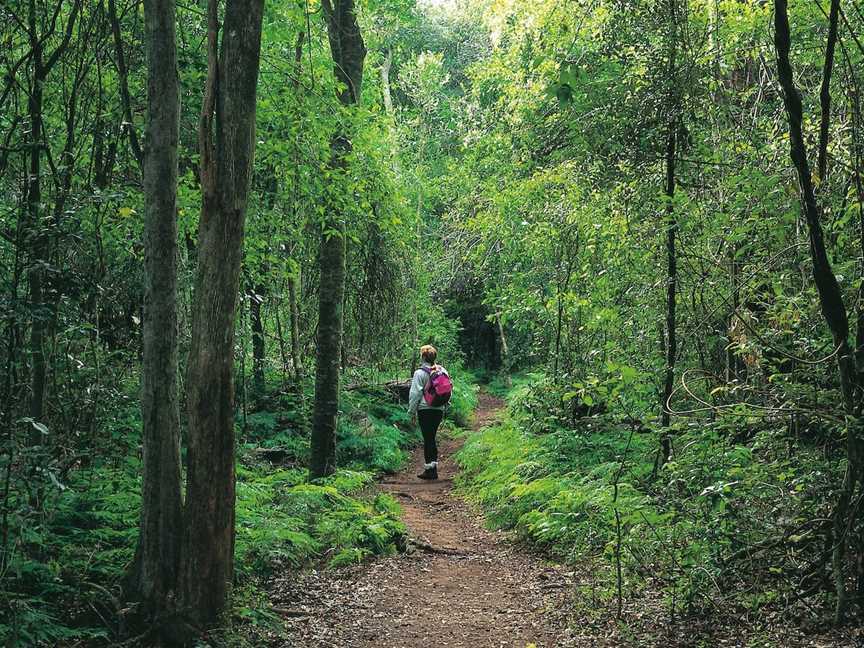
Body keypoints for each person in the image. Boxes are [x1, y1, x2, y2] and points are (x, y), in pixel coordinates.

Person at [408, 344, 449, 480]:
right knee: (432, 437)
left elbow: (415, 394)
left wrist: (411, 412)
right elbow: (447, 389)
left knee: (428, 438)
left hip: (425, 409)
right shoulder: (442, 370)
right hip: (438, 409)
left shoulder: (419, 373)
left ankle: (430, 470)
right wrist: (444, 404)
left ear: (423, 357)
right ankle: (433, 468)